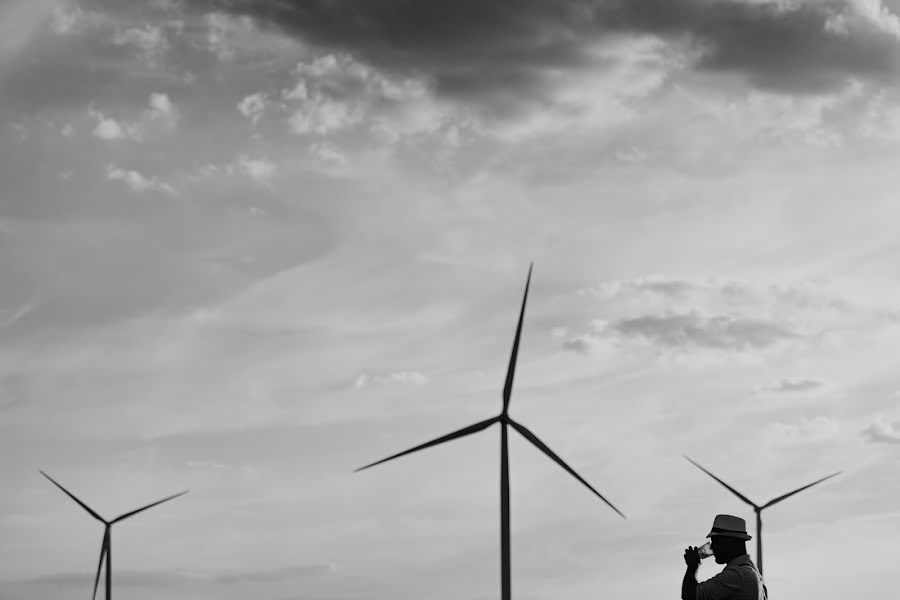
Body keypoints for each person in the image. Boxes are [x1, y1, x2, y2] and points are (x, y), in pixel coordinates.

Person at [681, 514, 767, 600]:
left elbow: (689, 595)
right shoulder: (755, 574)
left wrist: (692, 566)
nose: (712, 547)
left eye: (716, 542)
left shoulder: (736, 575)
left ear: (730, 541)